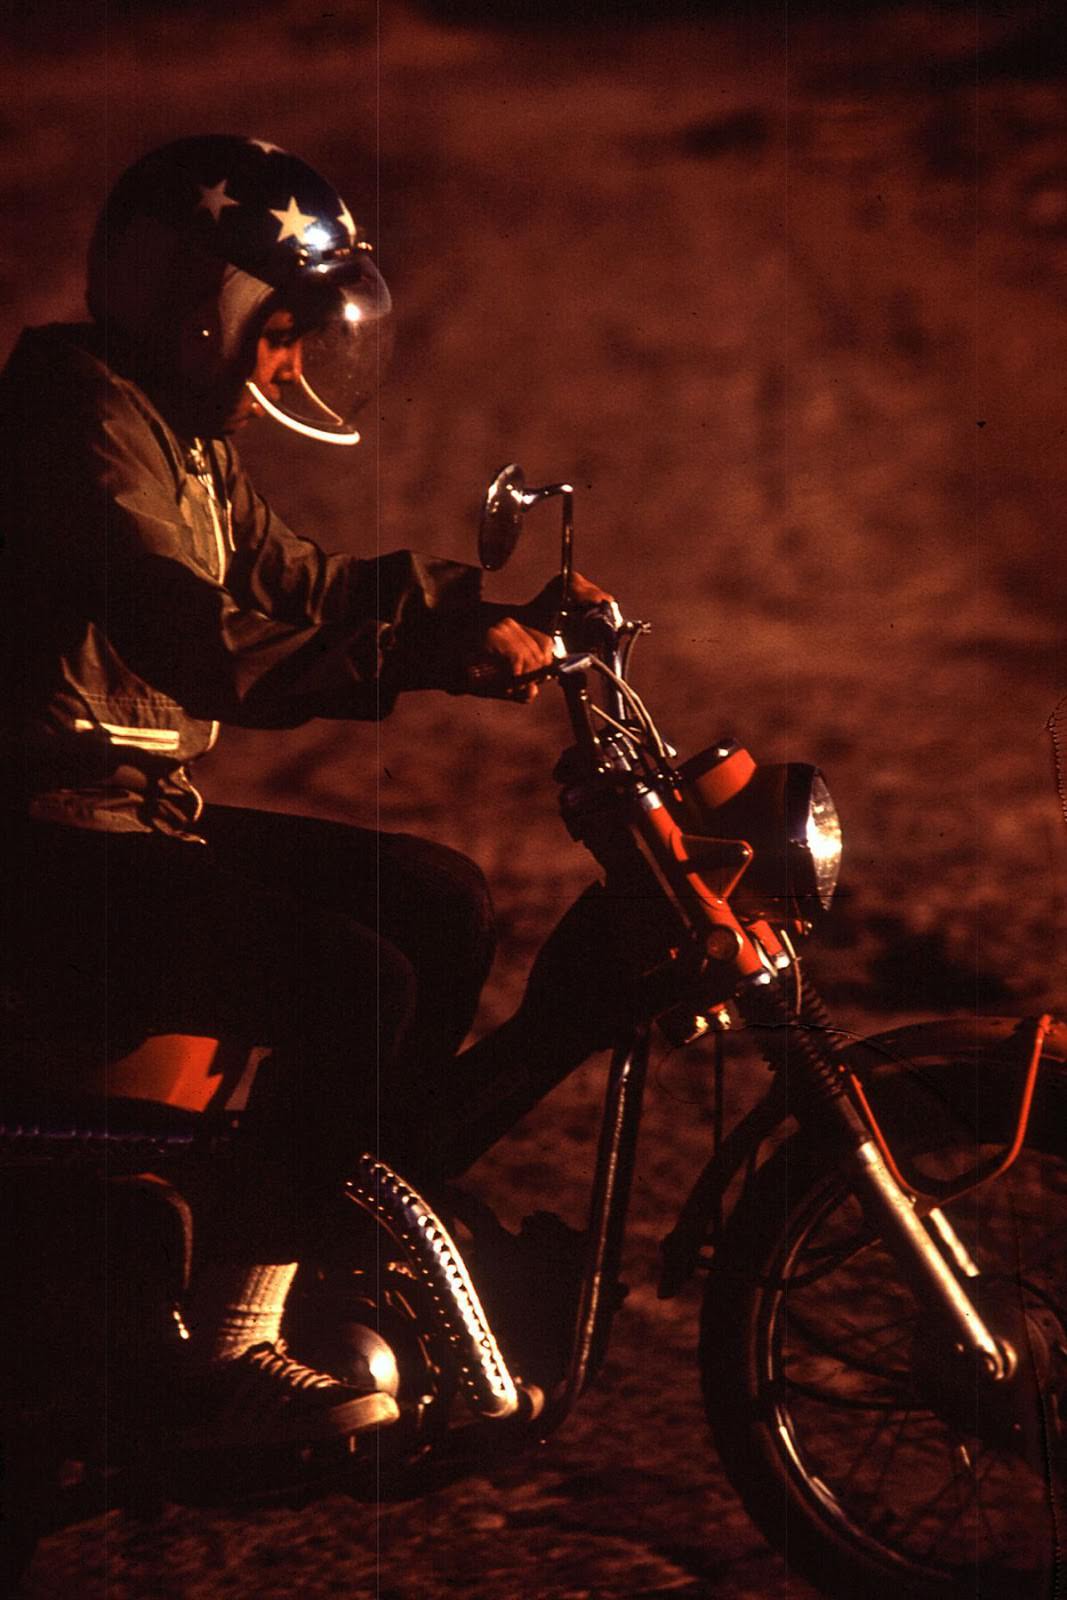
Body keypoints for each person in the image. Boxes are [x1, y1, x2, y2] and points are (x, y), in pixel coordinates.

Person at [0, 135, 610, 1449]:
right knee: (359, 983)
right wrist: (430, 658)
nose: (289, 363)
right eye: (276, 332)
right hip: (48, 842)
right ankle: (233, 1351)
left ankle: (300, 1222)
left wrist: (483, 613)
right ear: (200, 306)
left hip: (127, 817)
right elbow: (201, 641)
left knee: (438, 901)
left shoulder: (177, 427)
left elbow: (302, 579)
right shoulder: (84, 424)